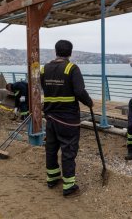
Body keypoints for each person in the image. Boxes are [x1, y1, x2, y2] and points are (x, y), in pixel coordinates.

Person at [41, 40, 93, 197]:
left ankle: (52, 178)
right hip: (67, 119)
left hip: (50, 117)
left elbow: (45, 89)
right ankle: (69, 185)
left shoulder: (45, 69)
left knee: (51, 148)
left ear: (55, 51)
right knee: (68, 150)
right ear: (70, 52)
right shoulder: (72, 68)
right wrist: (89, 102)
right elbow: (79, 91)